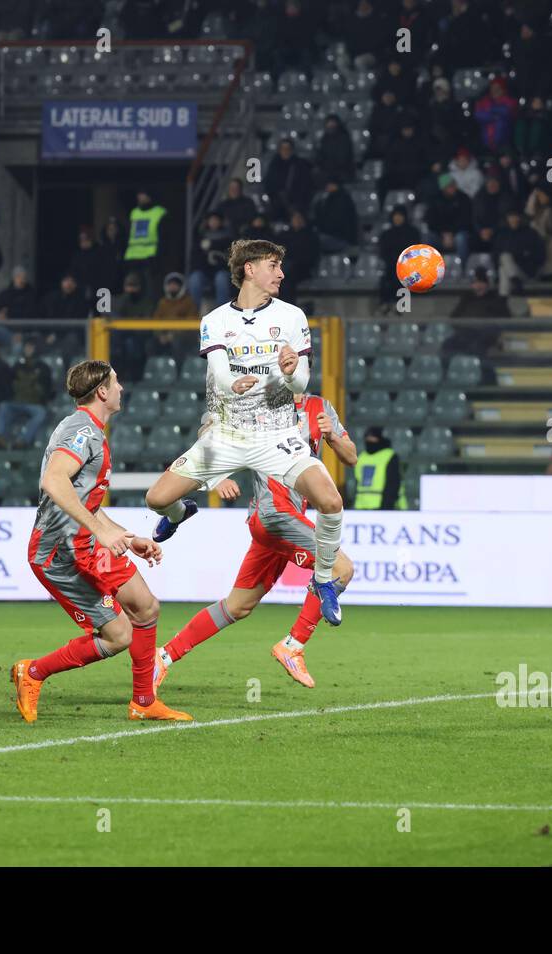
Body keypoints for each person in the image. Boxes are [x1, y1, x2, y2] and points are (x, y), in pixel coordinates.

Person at [143, 239, 349, 626]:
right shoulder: (216, 319)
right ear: (250, 269)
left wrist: (291, 372)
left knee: (331, 501)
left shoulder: (293, 316)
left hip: (275, 433)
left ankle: (323, 579)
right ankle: (181, 511)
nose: (281, 273)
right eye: (273, 265)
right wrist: (233, 384)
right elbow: (220, 374)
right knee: (156, 498)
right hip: (226, 434)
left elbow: (302, 384)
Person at [10, 360, 192, 723]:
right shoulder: (82, 432)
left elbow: (84, 499)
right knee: (118, 635)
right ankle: (32, 673)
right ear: (103, 392)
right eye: (117, 381)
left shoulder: (87, 429)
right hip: (59, 554)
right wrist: (101, 531)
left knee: (146, 607)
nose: (122, 387)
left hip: (86, 546)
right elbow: (53, 480)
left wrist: (125, 535)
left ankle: (143, 702)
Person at [155, 392, 358, 691]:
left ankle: (162, 657)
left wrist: (333, 437)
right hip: (275, 515)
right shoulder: (256, 401)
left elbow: (351, 456)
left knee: (237, 605)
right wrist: (216, 479)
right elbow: (208, 431)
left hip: (283, 519)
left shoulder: (320, 407)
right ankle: (293, 646)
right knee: (341, 568)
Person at [353, 425, 405, 509]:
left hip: (383, 508)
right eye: (367, 438)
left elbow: (393, 484)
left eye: (373, 437)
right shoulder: (361, 457)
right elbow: (357, 483)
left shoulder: (389, 456)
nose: (369, 440)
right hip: (361, 508)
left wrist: (386, 507)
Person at [124, 189, 167, 292]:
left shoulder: (159, 212)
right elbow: (129, 234)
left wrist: (159, 256)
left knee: (150, 289)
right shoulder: (134, 212)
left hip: (150, 257)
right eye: (139, 194)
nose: (140, 197)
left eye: (143, 194)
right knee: (132, 288)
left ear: (149, 196)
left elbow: (164, 237)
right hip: (133, 256)